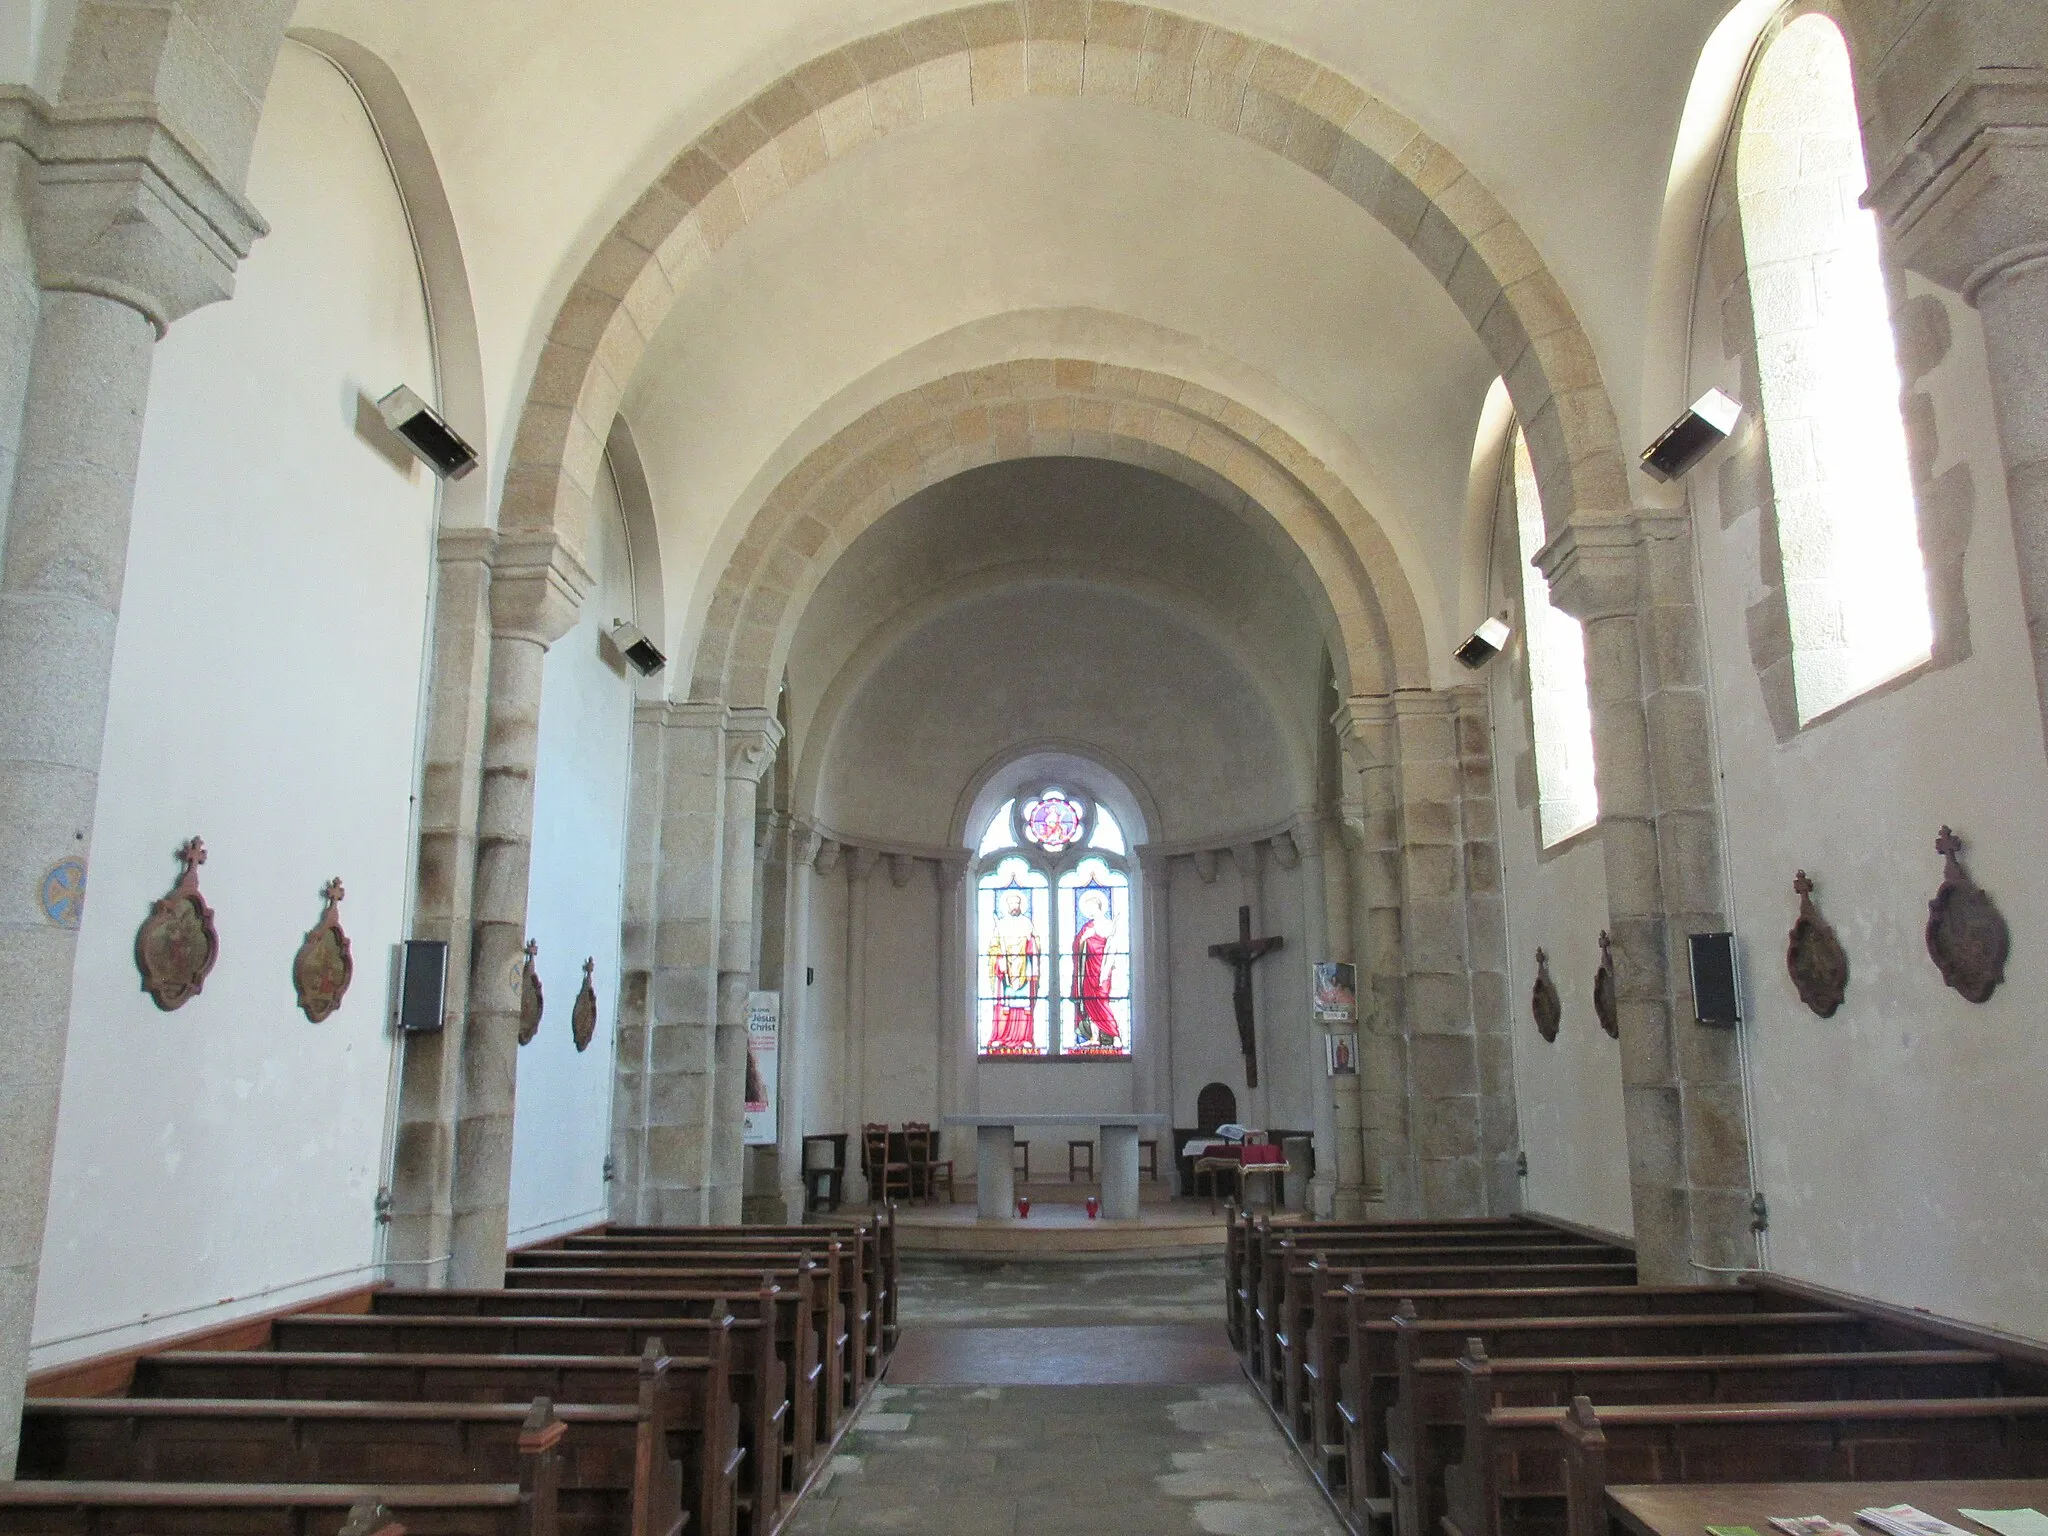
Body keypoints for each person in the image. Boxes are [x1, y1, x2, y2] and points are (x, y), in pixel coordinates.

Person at [985, 888, 1040, 1052]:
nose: (1014, 906)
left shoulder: (1027, 923)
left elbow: (1036, 943)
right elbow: (992, 947)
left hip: (1024, 968)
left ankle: (1025, 1038)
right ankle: (1000, 1037)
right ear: (1007, 906)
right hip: (1006, 971)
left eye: (1017, 903)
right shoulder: (1000, 924)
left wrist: (1033, 948)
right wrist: (999, 959)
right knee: (1004, 1004)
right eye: (1011, 903)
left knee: (1024, 1006)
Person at [1069, 888, 1124, 1050]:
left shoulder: (1108, 925)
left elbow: (1110, 947)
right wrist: (1083, 939)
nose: (1089, 911)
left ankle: (1115, 1036)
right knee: (1090, 1004)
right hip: (1087, 971)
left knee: (1101, 1003)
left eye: (1091, 907)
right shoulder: (1087, 927)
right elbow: (1076, 946)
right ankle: (1094, 1037)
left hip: (1102, 971)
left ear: (1098, 906)